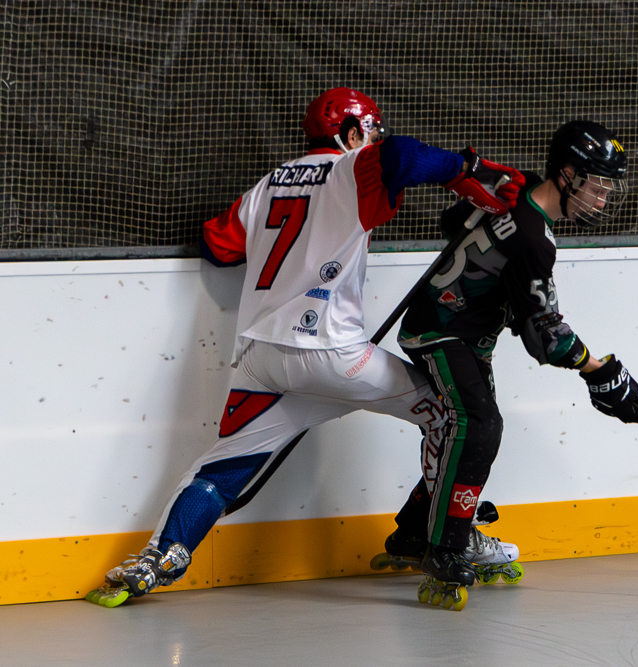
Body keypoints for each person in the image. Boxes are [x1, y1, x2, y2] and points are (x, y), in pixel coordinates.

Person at [86, 87, 524, 607]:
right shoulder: (349, 169)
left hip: (261, 360)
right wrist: (465, 167)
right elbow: (403, 156)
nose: (372, 140)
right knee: (455, 416)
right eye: (369, 132)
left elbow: (218, 246)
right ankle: (444, 537)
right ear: (351, 133)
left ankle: (156, 561)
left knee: (220, 472)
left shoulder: (269, 183)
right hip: (334, 357)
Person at [380, 120, 638, 611]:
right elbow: (545, 336)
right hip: (443, 331)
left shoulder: (515, 190)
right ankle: (446, 548)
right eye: (597, 185)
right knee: (479, 425)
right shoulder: (534, 238)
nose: (604, 200)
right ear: (566, 175)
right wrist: (601, 371)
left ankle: (417, 531)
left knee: (463, 431)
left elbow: (452, 221)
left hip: (458, 331)